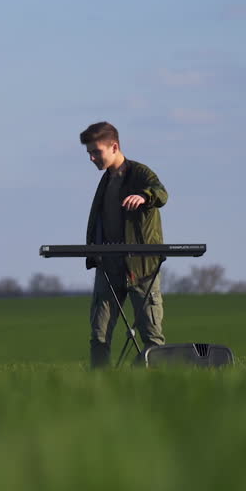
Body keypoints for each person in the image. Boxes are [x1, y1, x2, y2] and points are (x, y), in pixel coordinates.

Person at [80, 121, 168, 368]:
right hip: (108, 268)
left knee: (152, 338)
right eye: (89, 153)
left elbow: (161, 193)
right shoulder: (106, 180)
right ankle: (100, 387)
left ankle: (145, 382)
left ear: (114, 147)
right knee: (98, 336)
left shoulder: (140, 173)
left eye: (96, 151)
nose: (91, 158)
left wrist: (144, 196)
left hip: (141, 269)